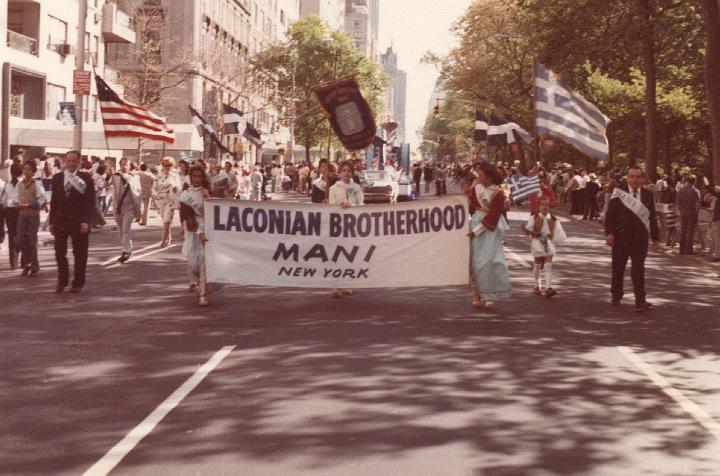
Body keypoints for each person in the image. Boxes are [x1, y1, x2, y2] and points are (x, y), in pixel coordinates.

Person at [604, 165, 660, 312]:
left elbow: (651, 217)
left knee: (638, 269)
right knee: (618, 268)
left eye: (637, 176)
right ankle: (616, 294)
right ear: (627, 177)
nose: (634, 179)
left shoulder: (648, 194)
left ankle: (640, 301)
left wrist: (656, 238)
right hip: (620, 237)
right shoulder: (618, 192)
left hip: (639, 239)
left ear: (642, 178)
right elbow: (610, 214)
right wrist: (609, 233)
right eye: (632, 176)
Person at [48, 150, 96, 293]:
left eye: (74, 161)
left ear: (79, 162)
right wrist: (51, 222)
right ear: (64, 161)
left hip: (79, 221)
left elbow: (90, 202)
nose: (71, 163)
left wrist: (86, 221)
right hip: (61, 221)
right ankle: (62, 281)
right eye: (68, 161)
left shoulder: (85, 178)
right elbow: (54, 201)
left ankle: (78, 283)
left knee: (80, 254)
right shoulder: (57, 178)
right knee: (59, 252)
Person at [467, 162, 512, 310]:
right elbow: (471, 208)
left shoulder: (498, 192)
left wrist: (476, 230)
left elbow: (494, 214)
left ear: (490, 177)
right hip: (476, 222)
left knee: (489, 261)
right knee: (476, 260)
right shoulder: (476, 189)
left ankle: (488, 295)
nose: (478, 177)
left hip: (489, 227)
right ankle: (477, 293)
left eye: (480, 175)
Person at [328, 161, 364, 298]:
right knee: (336, 255)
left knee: (349, 254)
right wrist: (339, 206)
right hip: (337, 224)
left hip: (352, 224)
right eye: (343, 170)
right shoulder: (333, 188)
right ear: (340, 173)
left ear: (352, 173)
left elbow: (361, 204)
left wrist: (351, 206)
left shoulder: (357, 188)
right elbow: (331, 206)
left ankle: (348, 283)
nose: (346, 173)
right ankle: (336, 285)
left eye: (349, 171)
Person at [178, 165, 211, 306]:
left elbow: (216, 211)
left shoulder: (208, 192)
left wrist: (209, 198)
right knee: (192, 263)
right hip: (193, 232)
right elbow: (186, 215)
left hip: (207, 231)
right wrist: (187, 228)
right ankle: (195, 283)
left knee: (204, 262)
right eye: (194, 176)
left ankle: (203, 295)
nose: (197, 179)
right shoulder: (186, 194)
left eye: (199, 176)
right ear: (190, 177)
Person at [522, 196, 566, 298]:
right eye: (542, 205)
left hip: (548, 243)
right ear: (538, 206)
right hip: (537, 242)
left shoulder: (553, 219)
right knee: (537, 265)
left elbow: (556, 233)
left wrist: (552, 237)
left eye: (547, 205)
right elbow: (529, 231)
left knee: (548, 265)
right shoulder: (534, 217)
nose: (545, 207)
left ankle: (548, 288)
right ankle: (536, 285)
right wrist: (526, 230)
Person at [15, 160, 48, 276]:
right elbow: (15, 198)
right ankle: (27, 262)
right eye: (25, 169)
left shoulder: (37, 184)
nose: (26, 171)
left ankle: (33, 266)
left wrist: (30, 205)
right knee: (19, 239)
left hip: (33, 215)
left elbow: (42, 200)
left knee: (32, 240)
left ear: (33, 172)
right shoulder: (19, 184)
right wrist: (17, 203)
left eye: (29, 169)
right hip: (22, 215)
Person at [112, 158, 142, 263]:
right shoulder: (115, 176)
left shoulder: (134, 177)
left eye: (127, 165)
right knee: (121, 231)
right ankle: (128, 249)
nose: (124, 166)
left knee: (125, 229)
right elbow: (105, 185)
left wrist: (139, 211)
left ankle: (125, 251)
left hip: (129, 207)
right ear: (120, 165)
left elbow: (138, 193)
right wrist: (108, 175)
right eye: (123, 164)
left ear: (130, 166)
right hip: (118, 207)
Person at [154, 157, 180, 247]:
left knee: (167, 219)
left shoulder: (175, 176)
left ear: (172, 166)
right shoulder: (159, 176)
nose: (167, 167)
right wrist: (154, 194)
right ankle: (168, 237)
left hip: (170, 200)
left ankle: (164, 239)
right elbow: (154, 188)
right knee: (165, 220)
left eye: (169, 165)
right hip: (160, 201)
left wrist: (176, 189)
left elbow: (179, 188)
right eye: (165, 165)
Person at [1, 163, 22, 269]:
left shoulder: (7, 184)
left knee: (13, 235)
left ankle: (14, 262)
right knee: (20, 234)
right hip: (18, 210)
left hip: (11, 211)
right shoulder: (22, 183)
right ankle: (21, 261)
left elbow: (3, 200)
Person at [676, 175, 701, 255]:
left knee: (683, 231)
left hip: (683, 212)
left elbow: (677, 202)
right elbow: (697, 204)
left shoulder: (681, 190)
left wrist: (681, 209)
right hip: (692, 212)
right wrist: (696, 213)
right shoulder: (695, 191)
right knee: (690, 231)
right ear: (694, 182)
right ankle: (688, 250)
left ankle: (681, 249)